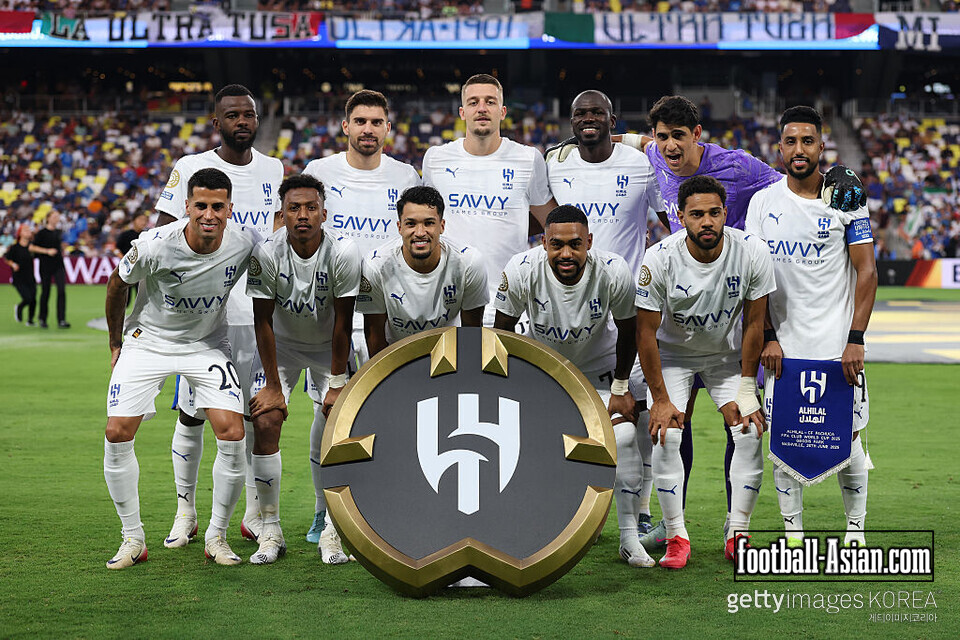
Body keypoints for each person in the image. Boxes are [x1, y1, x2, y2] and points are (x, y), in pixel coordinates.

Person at [102, 168, 260, 569]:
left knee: (233, 431)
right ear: (186, 206)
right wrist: (116, 341)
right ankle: (132, 538)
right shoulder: (154, 245)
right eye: (201, 205)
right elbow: (117, 285)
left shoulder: (243, 244)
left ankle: (216, 536)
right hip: (148, 343)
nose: (209, 214)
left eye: (218, 206)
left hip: (205, 345)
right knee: (117, 431)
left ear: (229, 209)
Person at [155, 84, 284, 548]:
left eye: (249, 114)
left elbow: (272, 239)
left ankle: (252, 514)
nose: (242, 122)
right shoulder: (189, 168)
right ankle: (184, 511)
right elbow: (163, 234)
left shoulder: (274, 168)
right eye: (232, 115)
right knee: (192, 416)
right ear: (217, 122)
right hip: (205, 319)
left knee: (254, 416)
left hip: (256, 315)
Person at [493, 205, 655, 569]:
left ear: (589, 243)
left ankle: (629, 538)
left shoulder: (613, 271)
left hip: (599, 372)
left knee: (626, 437)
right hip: (545, 373)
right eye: (557, 245)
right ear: (543, 243)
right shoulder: (521, 269)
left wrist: (620, 386)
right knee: (521, 445)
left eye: (575, 245)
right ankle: (532, 527)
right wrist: (511, 389)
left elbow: (629, 331)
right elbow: (501, 334)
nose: (566, 254)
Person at [745, 106, 877, 548]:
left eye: (807, 141)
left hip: (838, 346)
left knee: (851, 438)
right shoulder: (763, 203)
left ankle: (855, 533)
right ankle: (793, 537)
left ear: (822, 146)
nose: (798, 149)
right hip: (783, 349)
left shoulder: (847, 200)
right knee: (785, 442)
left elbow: (867, 272)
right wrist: (767, 337)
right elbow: (754, 280)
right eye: (790, 141)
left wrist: (855, 340)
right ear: (778, 147)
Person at [635, 176, 774, 568]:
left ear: (725, 213)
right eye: (696, 214)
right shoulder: (659, 258)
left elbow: (754, 324)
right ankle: (677, 536)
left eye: (714, 213)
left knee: (748, 431)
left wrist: (748, 386)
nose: (707, 221)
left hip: (724, 358)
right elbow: (645, 333)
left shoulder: (751, 251)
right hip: (674, 358)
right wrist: (660, 400)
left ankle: (738, 533)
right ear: (680, 217)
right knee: (666, 436)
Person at [301, 90, 421, 543]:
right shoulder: (320, 172)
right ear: (345, 126)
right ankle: (321, 510)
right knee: (327, 410)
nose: (368, 129)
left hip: (387, 312)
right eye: (361, 121)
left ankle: (388, 505)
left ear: (387, 128)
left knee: (391, 413)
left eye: (377, 122)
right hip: (334, 311)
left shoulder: (405, 174)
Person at [545, 89, 666, 535]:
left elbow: (669, 220)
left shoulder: (641, 164)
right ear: (571, 120)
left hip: (631, 312)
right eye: (580, 113)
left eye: (598, 112)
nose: (589, 119)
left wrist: (638, 142)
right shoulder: (553, 163)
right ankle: (580, 511)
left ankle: (643, 511)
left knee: (637, 414)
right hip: (568, 308)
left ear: (612, 119)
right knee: (567, 416)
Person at [244, 174, 361, 565]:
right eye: (294, 208)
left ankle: (332, 530)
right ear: (283, 214)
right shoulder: (266, 253)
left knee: (339, 425)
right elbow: (262, 320)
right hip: (283, 347)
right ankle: (270, 530)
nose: (303, 215)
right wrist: (274, 386)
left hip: (330, 347)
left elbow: (344, 322)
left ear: (324, 213)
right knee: (266, 418)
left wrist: (338, 383)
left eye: (311, 207)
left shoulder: (344, 253)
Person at [422, 73, 557, 327]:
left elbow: (553, 224)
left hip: (509, 305)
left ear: (503, 111)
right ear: (462, 112)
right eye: (473, 102)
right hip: (447, 306)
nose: (482, 108)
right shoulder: (436, 159)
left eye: (490, 102)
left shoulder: (528, 159)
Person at [358, 185, 488, 356]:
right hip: (395, 355)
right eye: (411, 224)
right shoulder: (375, 266)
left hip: (449, 355)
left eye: (429, 223)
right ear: (399, 227)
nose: (420, 233)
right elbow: (375, 335)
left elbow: (472, 334)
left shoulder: (469, 263)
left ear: (441, 226)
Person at [32, 211, 69, 329]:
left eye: (57, 217)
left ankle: (61, 319)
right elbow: (32, 247)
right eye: (54, 217)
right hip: (45, 265)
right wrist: (47, 251)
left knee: (61, 291)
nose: (56, 219)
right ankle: (42, 318)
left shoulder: (58, 232)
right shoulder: (42, 233)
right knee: (45, 291)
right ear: (48, 218)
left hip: (58, 264)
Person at [6, 224, 37, 326]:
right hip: (19, 278)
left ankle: (30, 320)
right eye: (25, 230)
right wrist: (13, 264)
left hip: (30, 277)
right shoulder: (15, 248)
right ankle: (19, 307)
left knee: (33, 299)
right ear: (20, 233)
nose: (28, 232)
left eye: (29, 230)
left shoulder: (31, 246)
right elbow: (7, 259)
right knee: (27, 298)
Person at [115, 213, 148, 307]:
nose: (143, 222)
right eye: (141, 219)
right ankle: (121, 319)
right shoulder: (125, 234)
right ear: (134, 221)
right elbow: (116, 248)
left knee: (142, 296)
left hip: (142, 269)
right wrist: (125, 260)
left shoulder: (147, 235)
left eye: (145, 220)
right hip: (127, 269)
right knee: (126, 297)